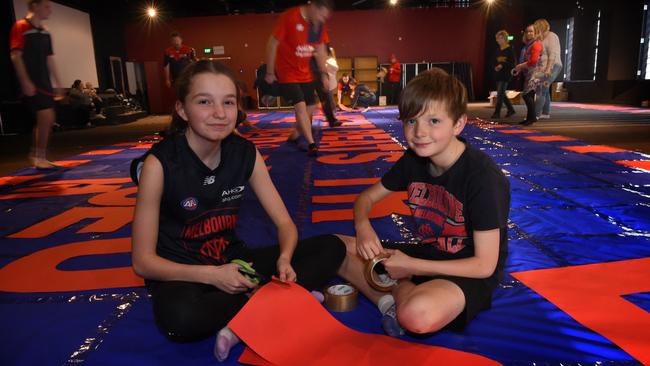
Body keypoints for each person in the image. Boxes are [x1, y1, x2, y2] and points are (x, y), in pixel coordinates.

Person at [130, 60, 346, 362]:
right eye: (204, 102)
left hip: (235, 262)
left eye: (228, 102)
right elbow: (143, 262)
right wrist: (213, 276)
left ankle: (250, 311)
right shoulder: (160, 164)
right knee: (180, 320)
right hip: (183, 272)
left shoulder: (245, 153)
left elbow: (285, 223)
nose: (219, 113)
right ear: (181, 109)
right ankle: (275, 301)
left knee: (331, 247)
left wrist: (284, 258)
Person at [336, 68, 510, 338]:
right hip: (426, 254)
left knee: (417, 315)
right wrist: (363, 226)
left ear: (458, 124)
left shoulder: (483, 178)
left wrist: (411, 268)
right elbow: (366, 198)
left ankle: (395, 288)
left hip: (467, 269)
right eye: (411, 121)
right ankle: (389, 298)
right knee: (334, 245)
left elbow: (484, 265)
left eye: (434, 121)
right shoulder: (413, 160)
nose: (419, 133)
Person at [264, 0, 334, 157]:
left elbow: (321, 49)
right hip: (287, 72)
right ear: (313, 7)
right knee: (301, 106)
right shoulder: (290, 16)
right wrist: (269, 72)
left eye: (325, 17)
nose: (322, 20)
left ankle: (296, 133)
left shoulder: (317, 24)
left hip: (305, 73)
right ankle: (311, 144)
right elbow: (272, 44)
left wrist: (323, 74)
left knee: (312, 106)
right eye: (321, 15)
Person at [9, 0, 63, 169]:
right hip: (31, 80)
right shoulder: (21, 26)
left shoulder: (46, 32)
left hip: (44, 81)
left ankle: (38, 155)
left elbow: (49, 58)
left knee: (46, 118)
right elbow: (16, 55)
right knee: (46, 116)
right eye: (46, 6)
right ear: (35, 6)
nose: (50, 10)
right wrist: (25, 81)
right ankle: (38, 156)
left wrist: (58, 82)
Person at [513, 24, 542, 125]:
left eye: (531, 31)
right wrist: (519, 69)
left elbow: (533, 61)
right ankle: (530, 118)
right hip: (530, 73)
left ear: (536, 33)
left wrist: (520, 66)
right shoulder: (527, 45)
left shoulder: (536, 44)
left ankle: (532, 118)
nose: (529, 33)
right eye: (527, 31)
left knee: (527, 95)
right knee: (529, 95)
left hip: (535, 73)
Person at [533, 19, 563, 119]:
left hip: (554, 65)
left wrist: (548, 69)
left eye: (537, 28)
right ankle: (545, 113)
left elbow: (552, 54)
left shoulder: (552, 36)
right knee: (544, 88)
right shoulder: (540, 39)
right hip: (544, 67)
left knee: (542, 88)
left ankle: (534, 115)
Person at [311, 44, 342, 127]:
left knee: (328, 98)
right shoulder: (316, 58)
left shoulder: (330, 60)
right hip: (316, 77)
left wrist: (326, 63)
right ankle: (308, 121)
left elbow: (335, 68)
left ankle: (332, 118)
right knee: (313, 100)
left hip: (327, 79)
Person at [491, 30, 517, 119]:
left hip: (506, 74)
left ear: (505, 39)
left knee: (500, 94)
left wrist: (502, 65)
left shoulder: (510, 49)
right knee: (501, 93)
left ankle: (497, 113)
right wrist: (495, 66)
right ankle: (511, 110)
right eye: (497, 38)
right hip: (498, 74)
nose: (498, 40)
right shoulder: (497, 50)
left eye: (500, 38)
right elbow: (494, 61)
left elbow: (513, 63)